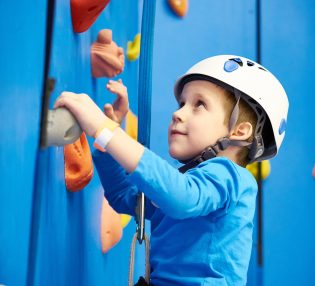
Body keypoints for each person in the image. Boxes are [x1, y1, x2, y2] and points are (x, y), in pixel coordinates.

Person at [54, 55, 289, 285]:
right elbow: (123, 197)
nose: (178, 113)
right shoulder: (185, 184)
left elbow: (182, 197)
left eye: (199, 105)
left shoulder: (232, 177)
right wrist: (106, 145)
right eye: (182, 103)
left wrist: (104, 129)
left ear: (239, 131)